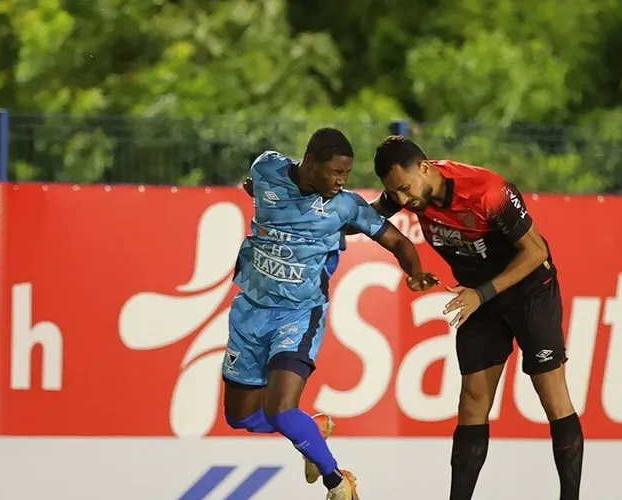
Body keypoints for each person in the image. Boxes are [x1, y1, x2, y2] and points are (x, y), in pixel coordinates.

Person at [224, 128, 438, 500]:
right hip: (250, 311)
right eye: (336, 172)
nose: (341, 181)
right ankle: (312, 427)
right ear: (309, 163)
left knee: (280, 409)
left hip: (298, 316)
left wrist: (415, 274)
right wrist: (254, 192)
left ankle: (337, 481)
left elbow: (398, 241)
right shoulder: (267, 168)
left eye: (347, 175)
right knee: (239, 417)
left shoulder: (345, 206)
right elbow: (252, 183)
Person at [365, 135, 583, 500]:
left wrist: (480, 294)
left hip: (529, 290)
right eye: (395, 194)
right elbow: (361, 215)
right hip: (479, 298)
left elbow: (536, 251)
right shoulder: (406, 191)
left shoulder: (487, 191)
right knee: (472, 401)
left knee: (552, 397)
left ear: (425, 167)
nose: (403, 201)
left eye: (404, 189)